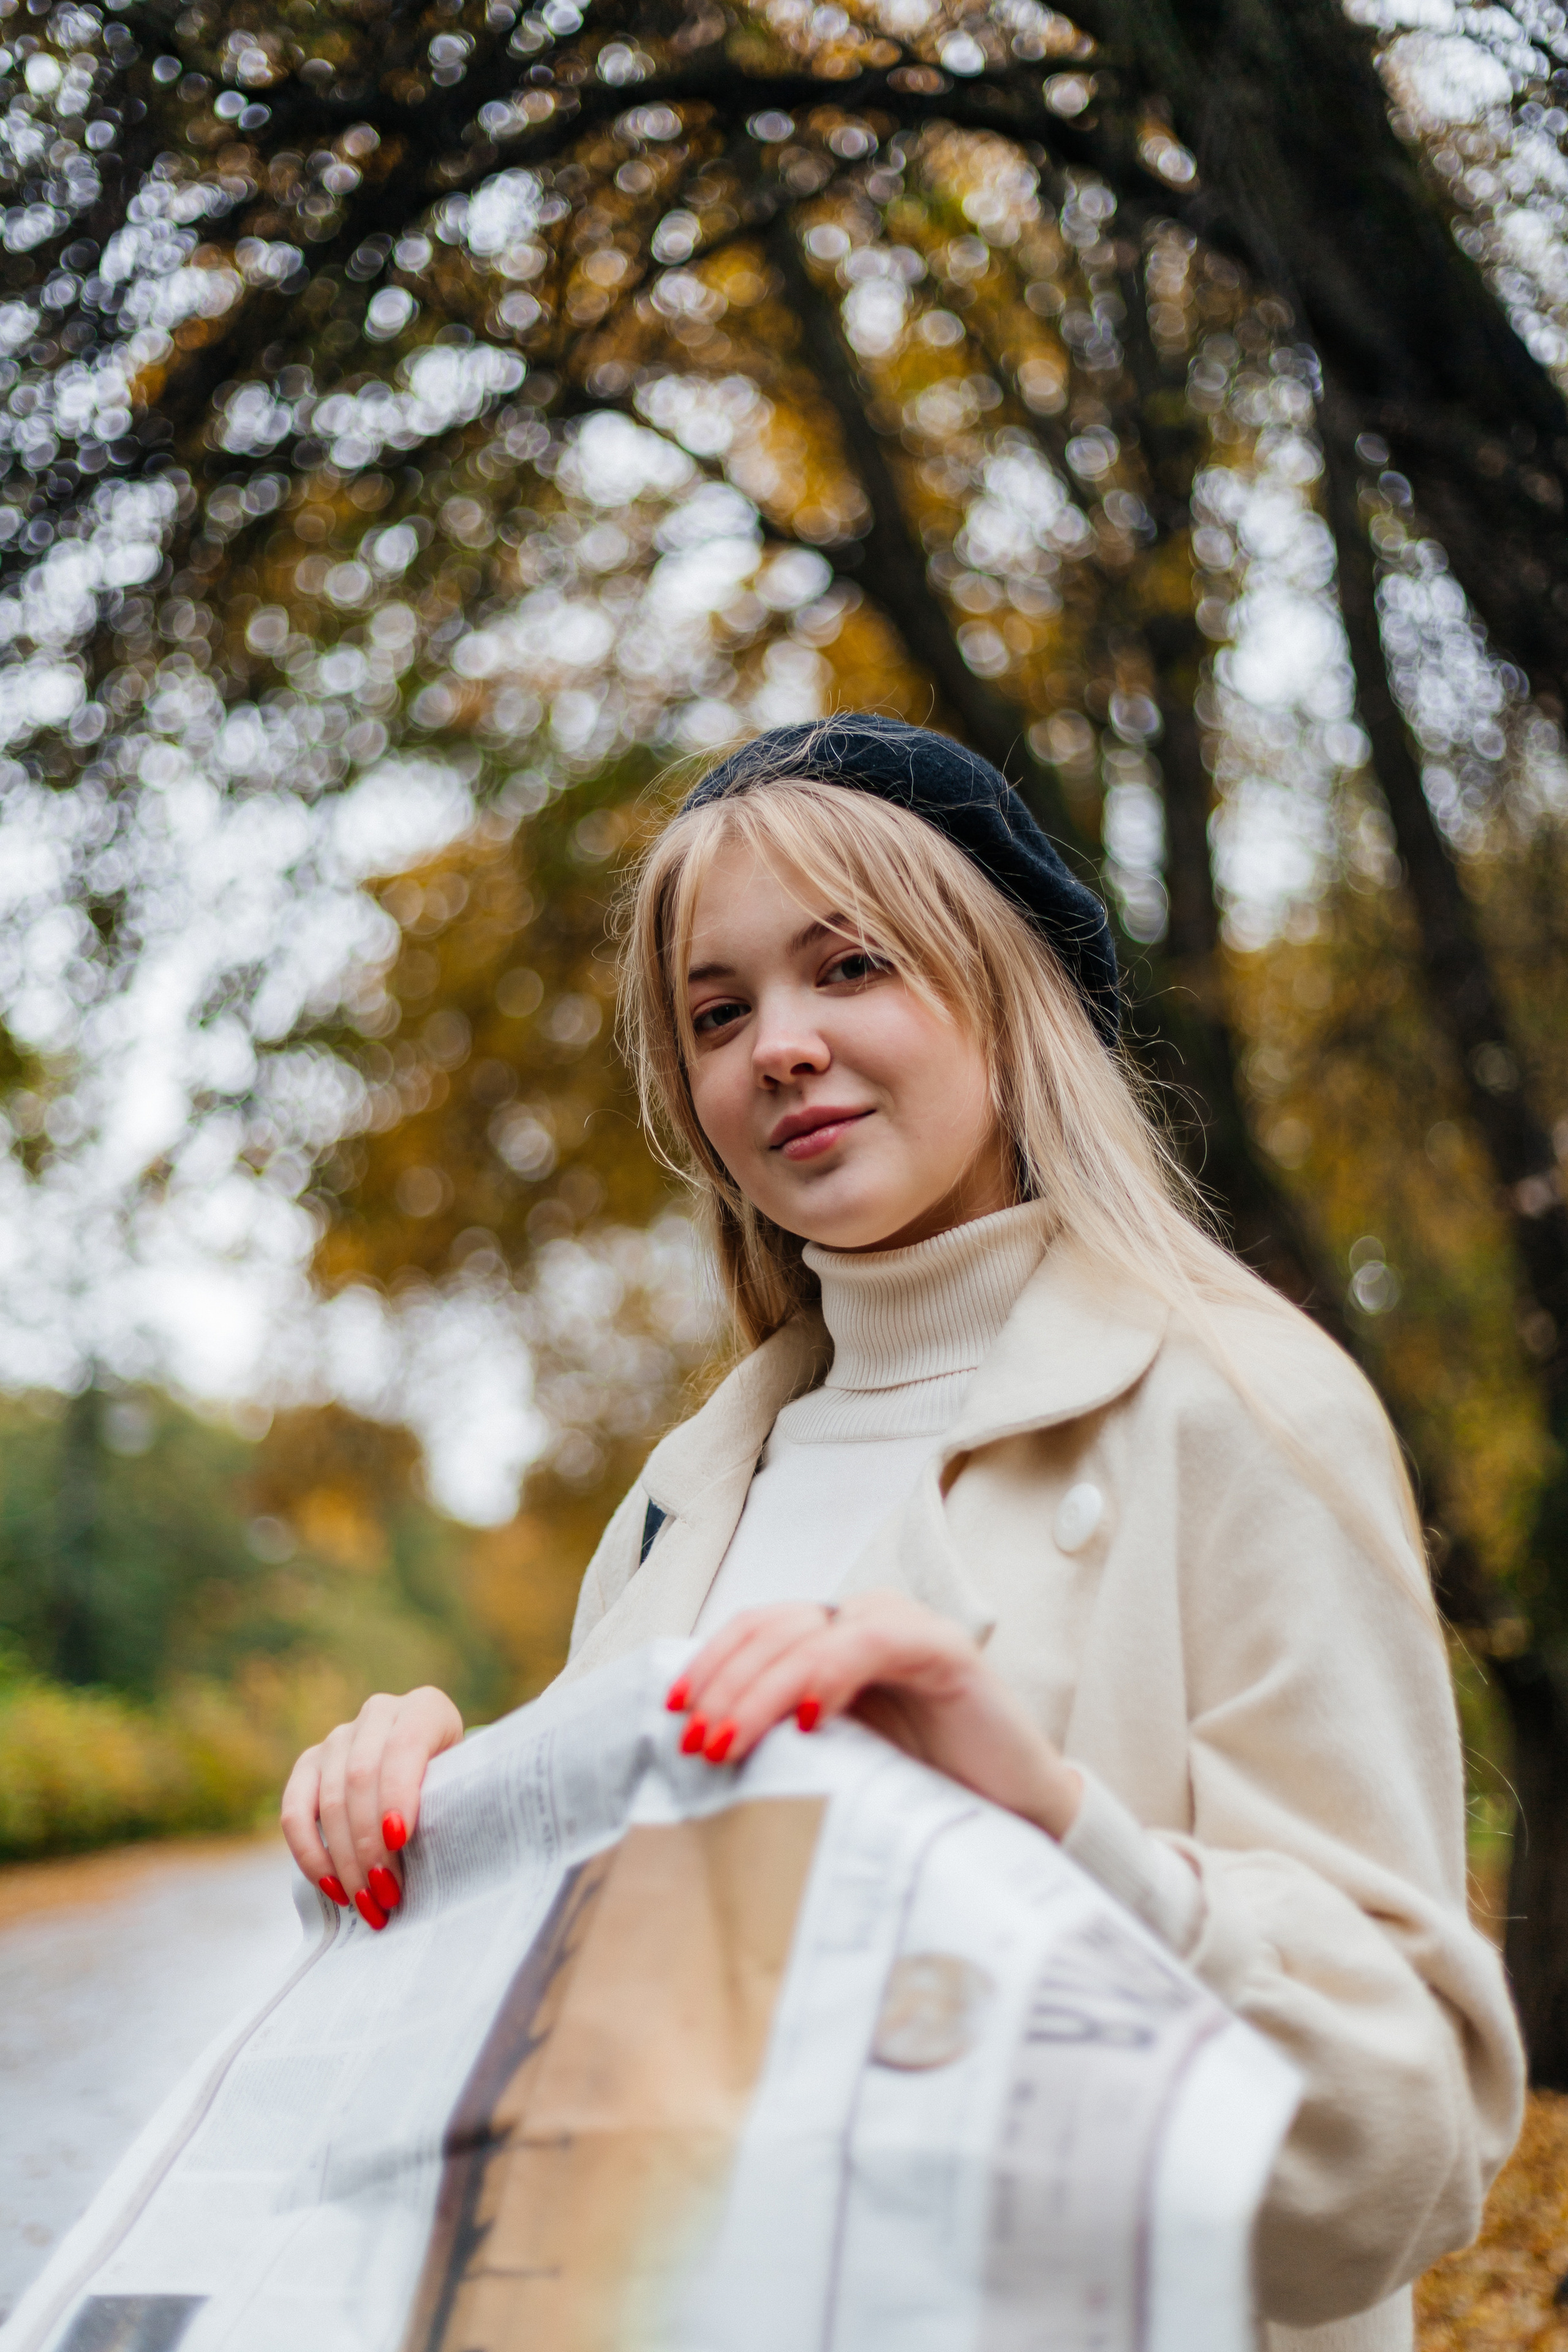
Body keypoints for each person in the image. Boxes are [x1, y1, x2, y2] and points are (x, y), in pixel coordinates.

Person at [281, 714, 1523, 2352]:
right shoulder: (680, 1502)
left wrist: (1059, 1829)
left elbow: (1405, 2158)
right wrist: (427, 1836)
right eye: (717, 1013)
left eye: (848, 967)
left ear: (1012, 995)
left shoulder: (1240, 1408)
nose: (776, 1045)